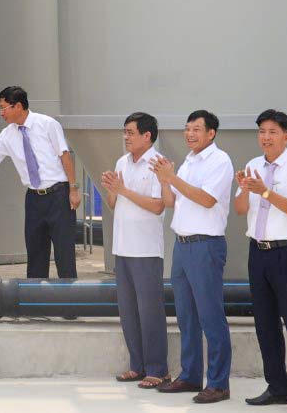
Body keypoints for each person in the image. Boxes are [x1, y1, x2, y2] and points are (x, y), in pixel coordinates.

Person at [0, 85, 81, 279]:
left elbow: (65, 155)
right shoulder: (7, 135)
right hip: (34, 199)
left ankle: (70, 306)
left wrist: (73, 188)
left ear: (18, 106)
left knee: (64, 253)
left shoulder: (47, 124)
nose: (1, 113)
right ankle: (35, 304)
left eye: (3, 107)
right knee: (35, 253)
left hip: (59, 195)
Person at [233, 110, 287, 412]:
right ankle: (277, 387)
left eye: (271, 132)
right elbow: (241, 209)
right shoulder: (252, 166)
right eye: (261, 132)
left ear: (286, 136)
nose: (265, 137)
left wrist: (265, 191)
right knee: (265, 323)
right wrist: (244, 188)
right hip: (258, 251)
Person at [153, 109, 235, 405]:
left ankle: (218, 383)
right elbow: (173, 201)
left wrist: (171, 176)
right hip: (183, 245)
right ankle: (190, 375)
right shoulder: (188, 161)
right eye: (187, 128)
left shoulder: (219, 160)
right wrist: (164, 179)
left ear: (211, 133)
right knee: (186, 315)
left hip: (205, 245)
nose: (190, 134)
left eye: (196, 129)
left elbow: (206, 198)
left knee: (211, 316)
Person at [102, 111, 174, 390]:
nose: (126, 137)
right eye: (125, 132)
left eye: (131, 132)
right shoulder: (122, 162)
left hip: (145, 249)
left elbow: (158, 206)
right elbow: (113, 204)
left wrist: (124, 190)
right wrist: (112, 189)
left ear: (147, 135)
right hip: (122, 246)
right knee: (128, 311)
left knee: (150, 310)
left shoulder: (158, 164)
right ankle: (137, 366)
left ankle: (158, 369)